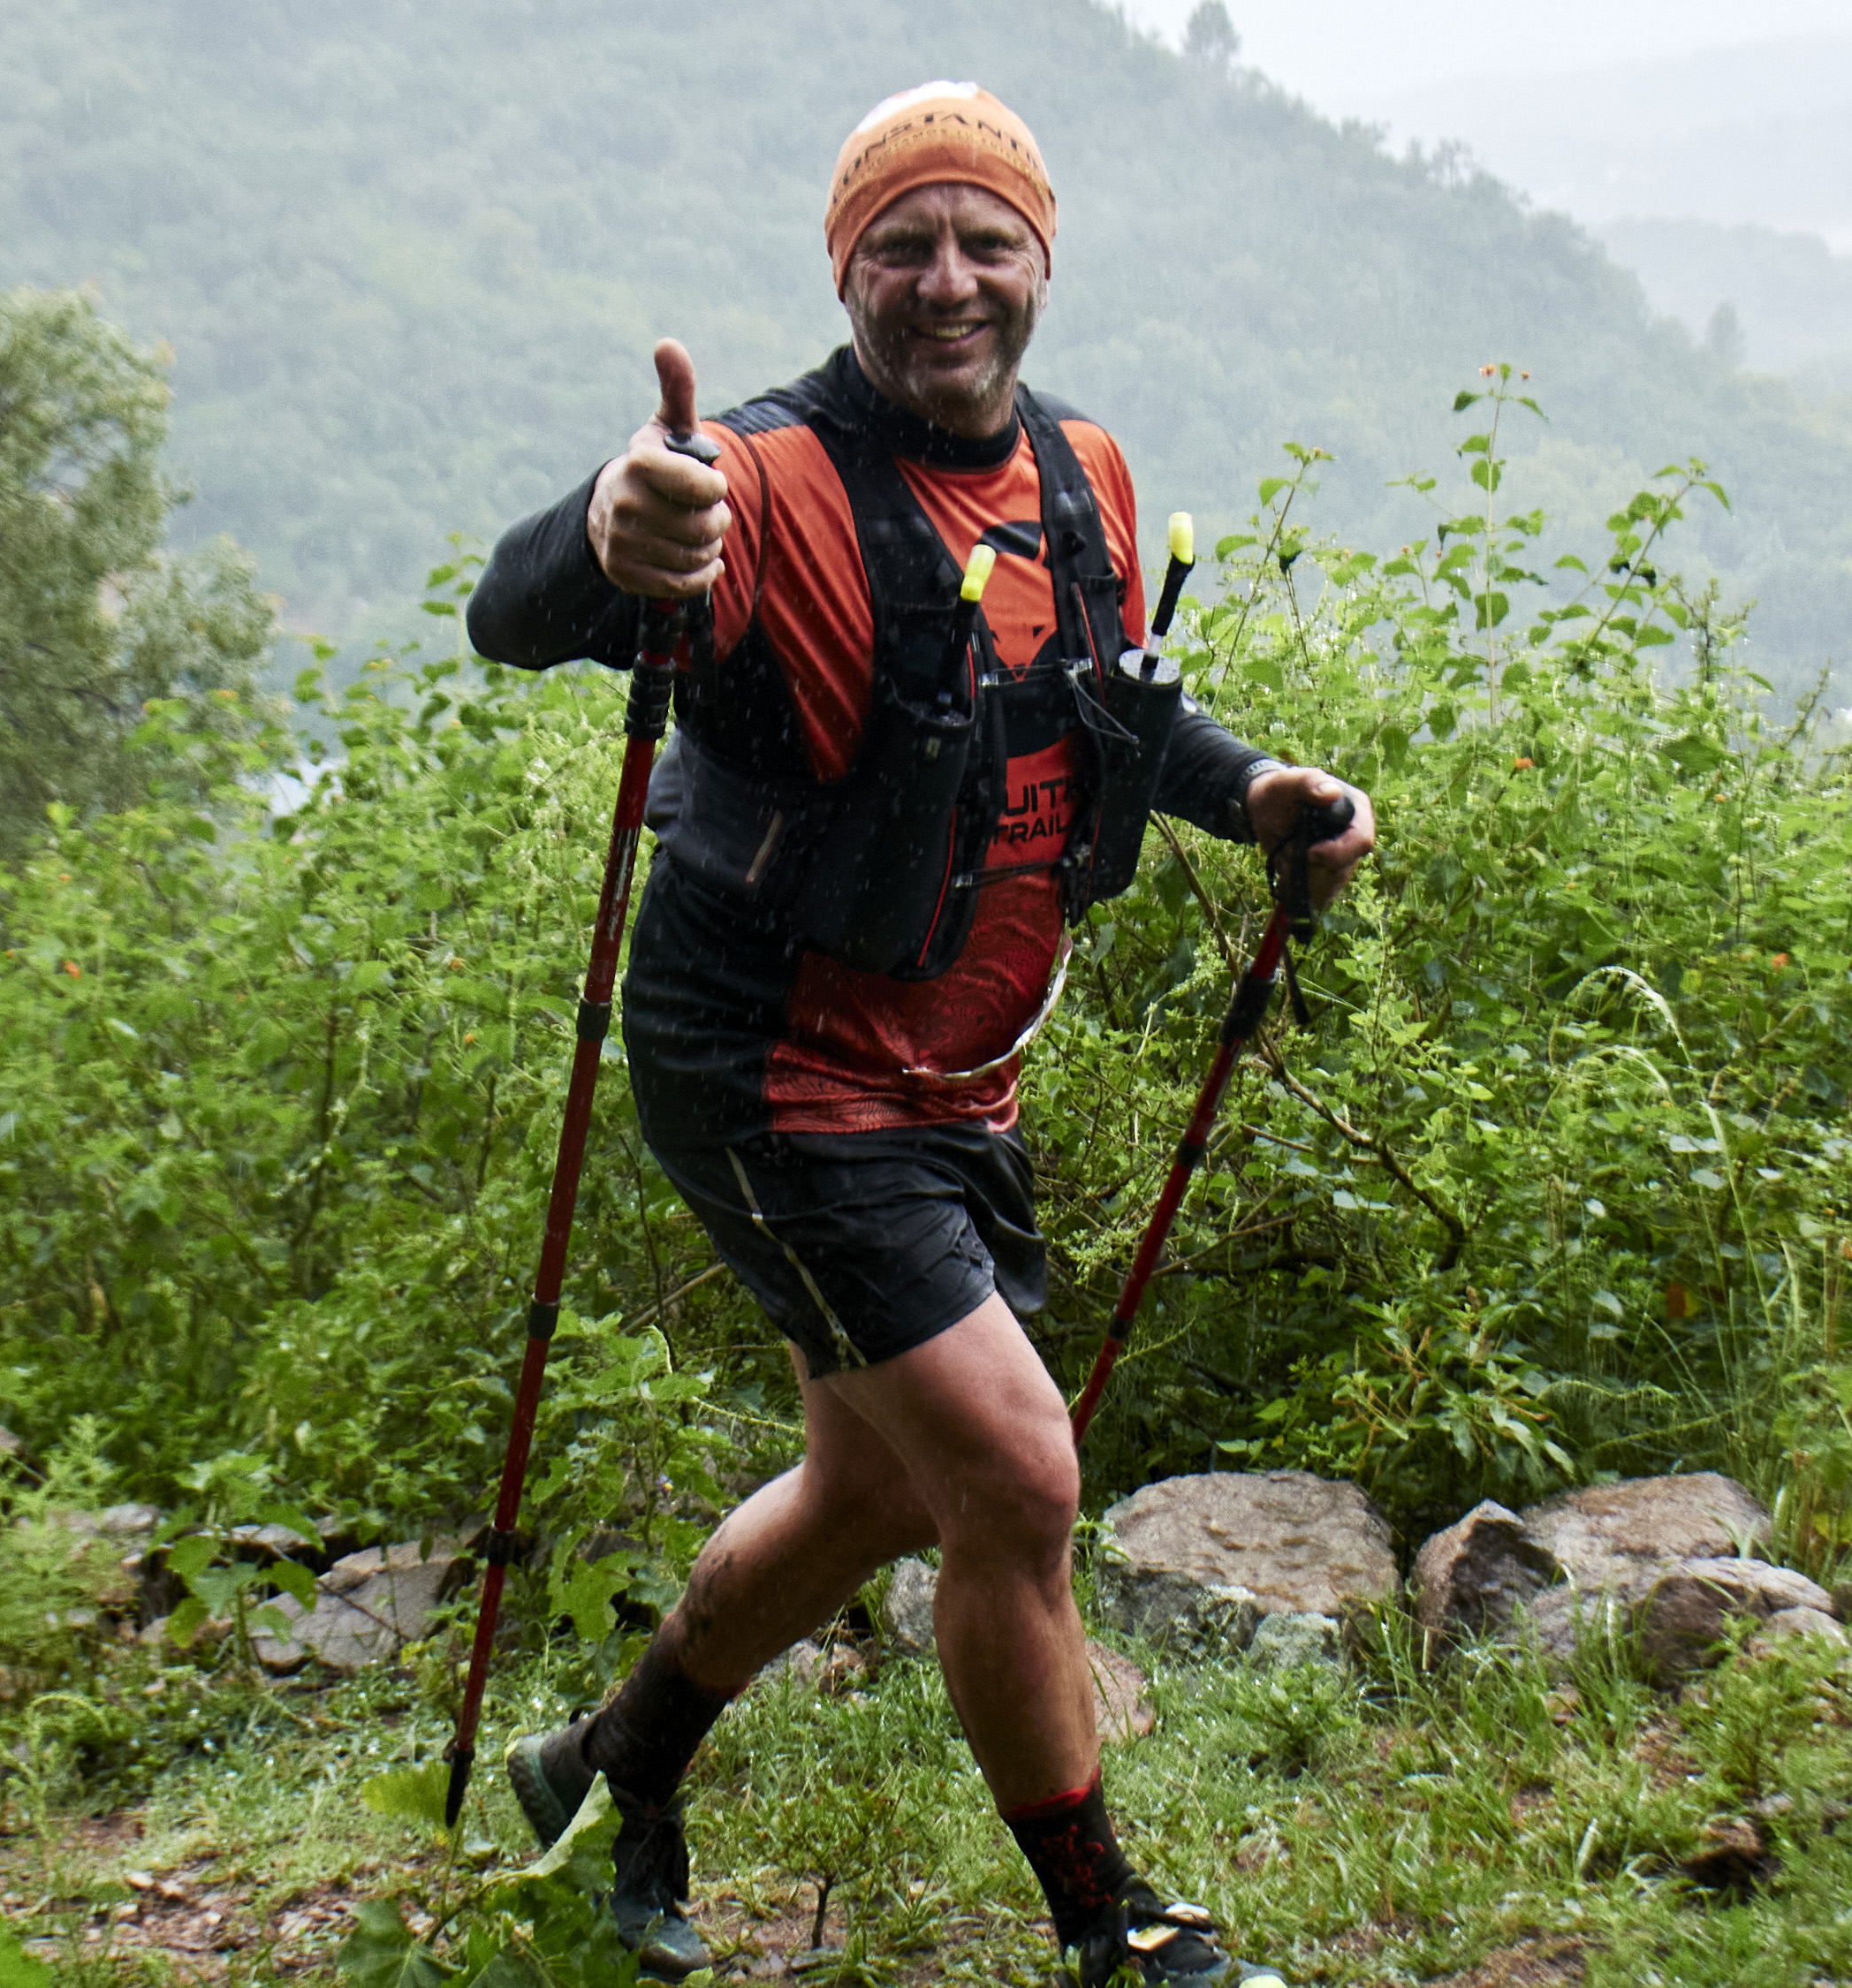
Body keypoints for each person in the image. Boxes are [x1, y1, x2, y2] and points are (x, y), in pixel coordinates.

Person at [465, 80, 1374, 1988]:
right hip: (772, 1071)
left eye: (986, 241)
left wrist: (1254, 791)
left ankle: (610, 1767)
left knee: (876, 1487)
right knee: (1018, 1479)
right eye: (903, 245)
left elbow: (1109, 710)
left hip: (958, 1070)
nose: (948, 279)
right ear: (845, 271)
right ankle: (1113, 1927)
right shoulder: (762, 485)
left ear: (1042, 262)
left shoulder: (1082, 472)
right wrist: (612, 527)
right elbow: (516, 611)